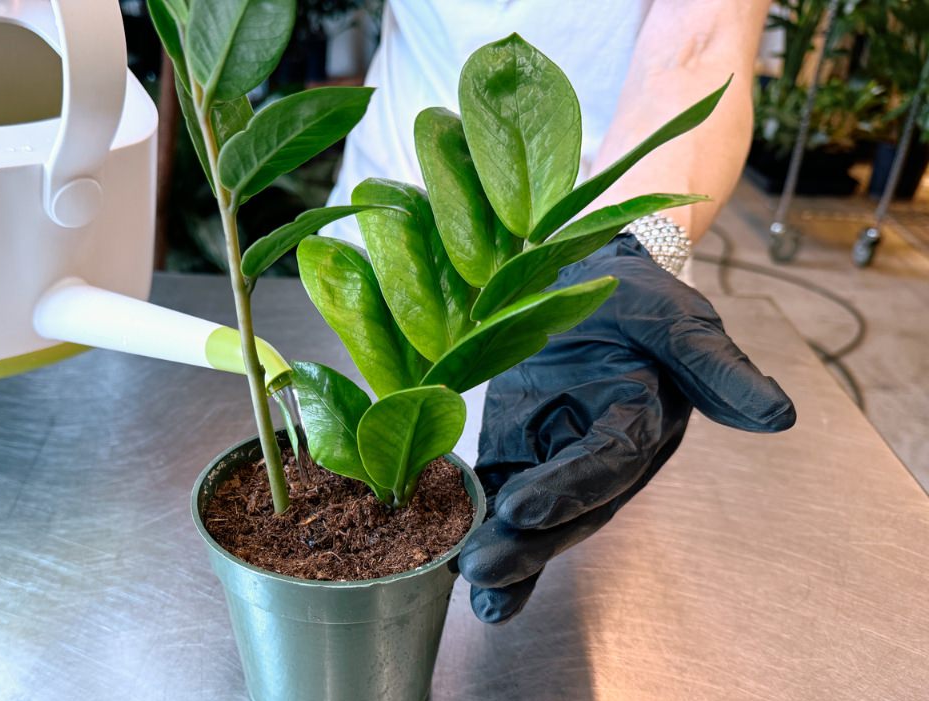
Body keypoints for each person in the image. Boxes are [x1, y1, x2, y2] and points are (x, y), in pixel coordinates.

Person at [324, 0, 797, 624]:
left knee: (556, 530)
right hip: (396, 233)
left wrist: (629, 249)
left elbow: (700, 41)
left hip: (596, 252)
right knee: (362, 453)